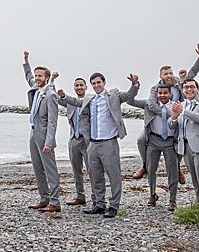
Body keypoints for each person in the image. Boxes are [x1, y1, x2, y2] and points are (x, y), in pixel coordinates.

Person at [58, 73, 139, 219]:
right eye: (93, 83)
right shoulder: (90, 99)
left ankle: (114, 205)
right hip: (93, 143)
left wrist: (134, 84)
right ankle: (99, 204)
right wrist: (63, 97)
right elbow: (76, 102)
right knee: (96, 175)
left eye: (98, 83)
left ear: (104, 82)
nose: (96, 86)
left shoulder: (113, 94)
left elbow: (128, 95)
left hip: (109, 141)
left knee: (113, 175)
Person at [133, 45, 199, 181]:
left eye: (171, 73)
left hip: (178, 120)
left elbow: (192, 74)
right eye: (166, 74)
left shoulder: (179, 82)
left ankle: (177, 168)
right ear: (161, 76)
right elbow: (152, 105)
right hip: (159, 119)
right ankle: (144, 166)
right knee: (141, 139)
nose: (169, 76)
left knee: (180, 140)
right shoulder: (155, 88)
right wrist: (170, 113)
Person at [127, 82, 180, 210]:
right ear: (156, 94)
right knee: (151, 170)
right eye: (160, 93)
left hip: (169, 142)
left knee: (172, 172)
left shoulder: (175, 107)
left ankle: (172, 200)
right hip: (153, 141)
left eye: (165, 93)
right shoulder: (149, 104)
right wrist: (134, 85)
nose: (162, 95)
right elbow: (129, 101)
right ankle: (152, 195)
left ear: (170, 94)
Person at [170, 79, 199, 204]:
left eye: (192, 87)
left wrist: (183, 112)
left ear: (197, 89)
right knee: (195, 180)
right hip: (185, 147)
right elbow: (171, 125)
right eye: (186, 87)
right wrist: (174, 117)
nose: (189, 89)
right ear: (183, 90)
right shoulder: (182, 104)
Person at [25, 63, 61, 212]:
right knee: (37, 168)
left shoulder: (51, 95)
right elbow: (27, 77)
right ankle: (44, 199)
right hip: (33, 133)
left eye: (40, 76)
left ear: (47, 78)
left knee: (50, 169)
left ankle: (55, 202)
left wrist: (49, 142)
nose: (37, 78)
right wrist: (26, 61)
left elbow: (53, 121)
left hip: (44, 136)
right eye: (36, 76)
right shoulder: (37, 91)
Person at [57, 77, 92, 206]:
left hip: (87, 140)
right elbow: (56, 98)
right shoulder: (70, 102)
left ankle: (96, 198)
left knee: (92, 169)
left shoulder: (90, 101)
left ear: (86, 87)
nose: (79, 87)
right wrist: (53, 81)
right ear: (74, 88)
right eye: (76, 85)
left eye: (81, 85)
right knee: (76, 170)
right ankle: (80, 196)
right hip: (74, 139)